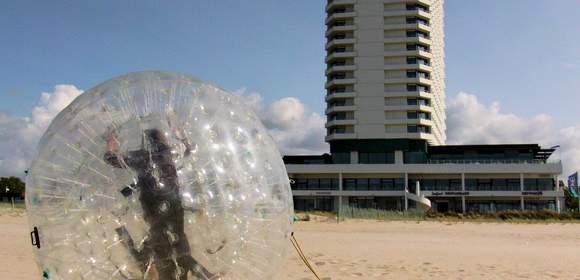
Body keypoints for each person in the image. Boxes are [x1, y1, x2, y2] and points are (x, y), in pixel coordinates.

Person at [104, 128, 216, 280]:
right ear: (162, 139)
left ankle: (202, 275)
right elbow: (190, 148)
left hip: (153, 210)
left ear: (145, 142)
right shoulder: (170, 153)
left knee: (161, 248)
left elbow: (111, 159)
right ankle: (204, 276)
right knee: (177, 243)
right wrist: (180, 134)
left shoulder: (141, 157)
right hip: (174, 206)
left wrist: (111, 142)